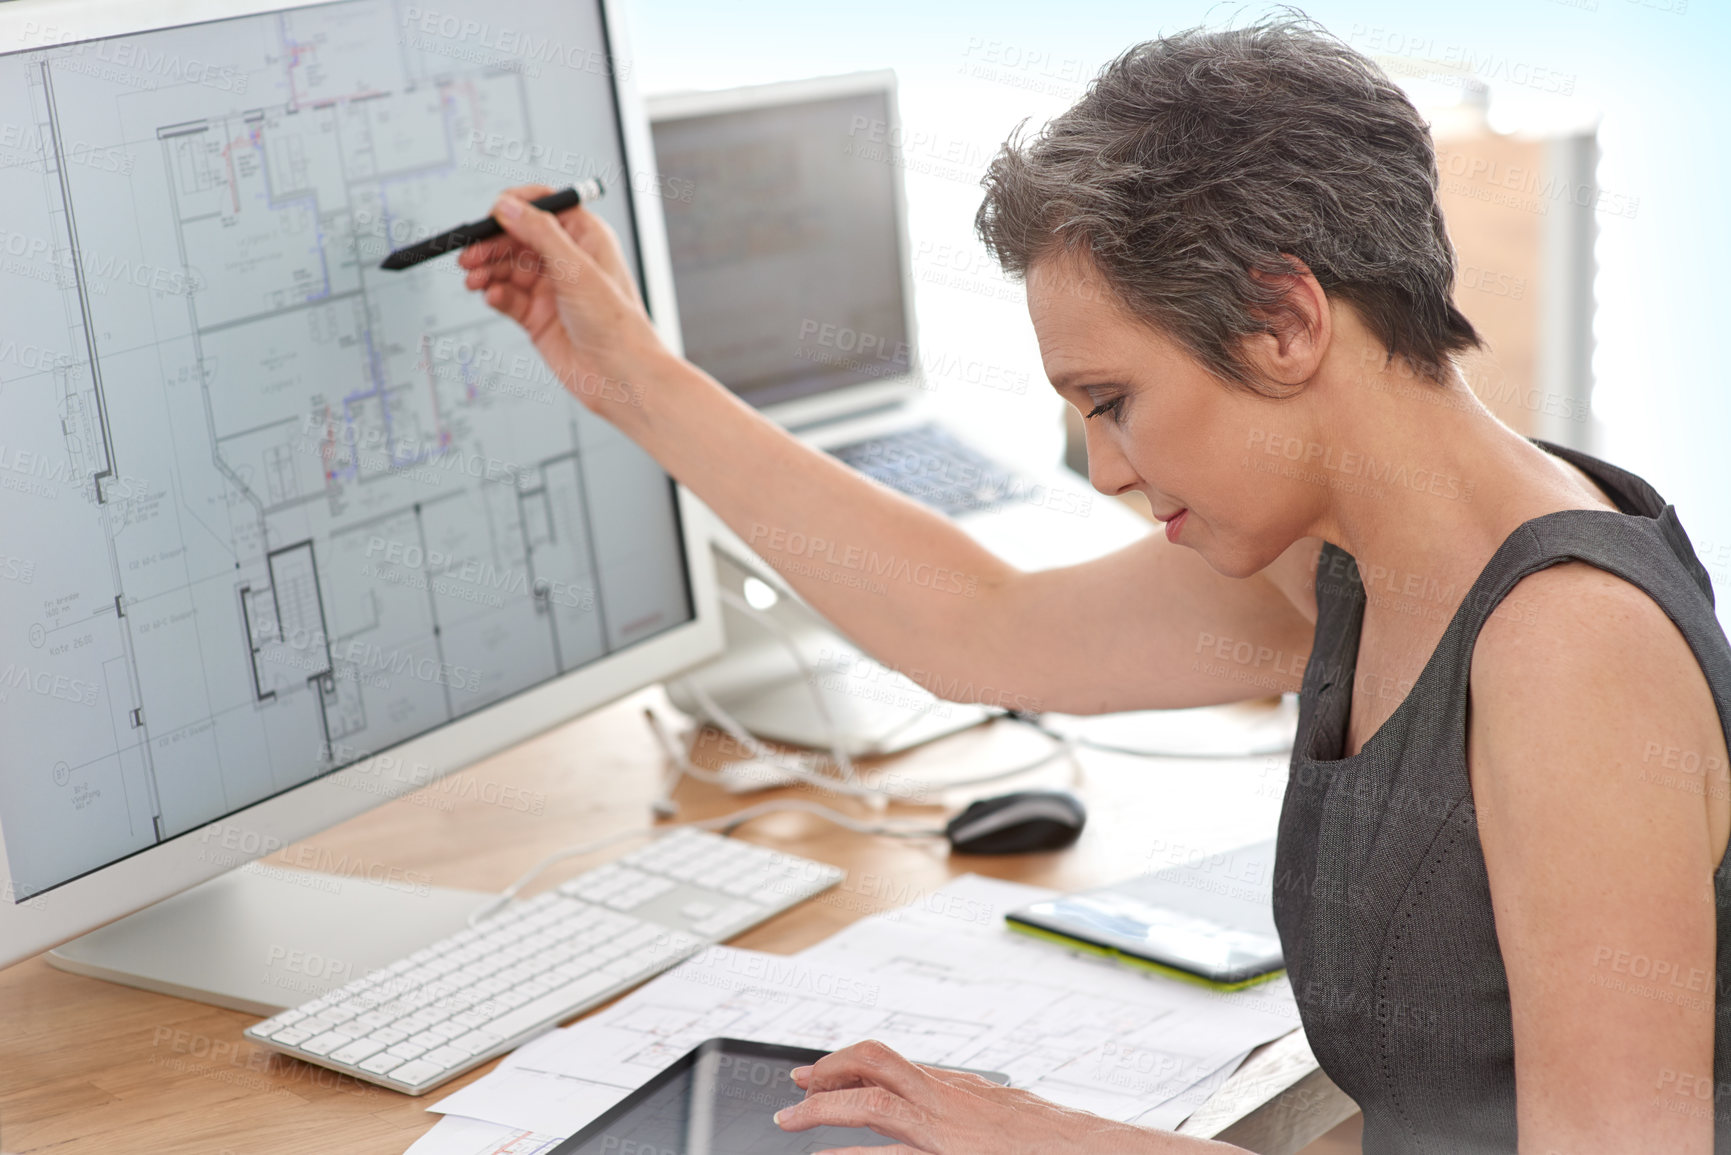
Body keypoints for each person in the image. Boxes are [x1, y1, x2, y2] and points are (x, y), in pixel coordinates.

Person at [457, 15, 1731, 1154]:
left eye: (1113, 402)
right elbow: (978, 630)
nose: (1104, 468)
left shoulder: (1570, 652)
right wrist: (627, 369)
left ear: (1285, 322)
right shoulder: (1352, 557)